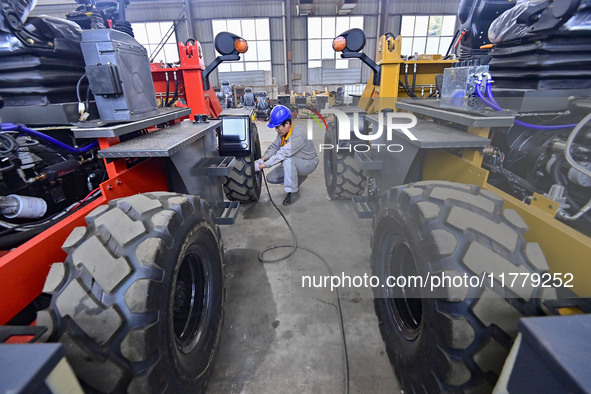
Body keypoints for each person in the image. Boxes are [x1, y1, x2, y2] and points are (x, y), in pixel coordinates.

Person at [255, 105, 319, 206]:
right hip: (297, 161)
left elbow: (282, 154)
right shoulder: (282, 133)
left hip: (308, 163)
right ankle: (297, 180)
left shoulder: (298, 134)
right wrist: (262, 159)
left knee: (287, 160)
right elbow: (275, 147)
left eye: (277, 127)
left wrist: (261, 166)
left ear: (287, 124)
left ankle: (293, 193)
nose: (276, 129)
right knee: (271, 178)